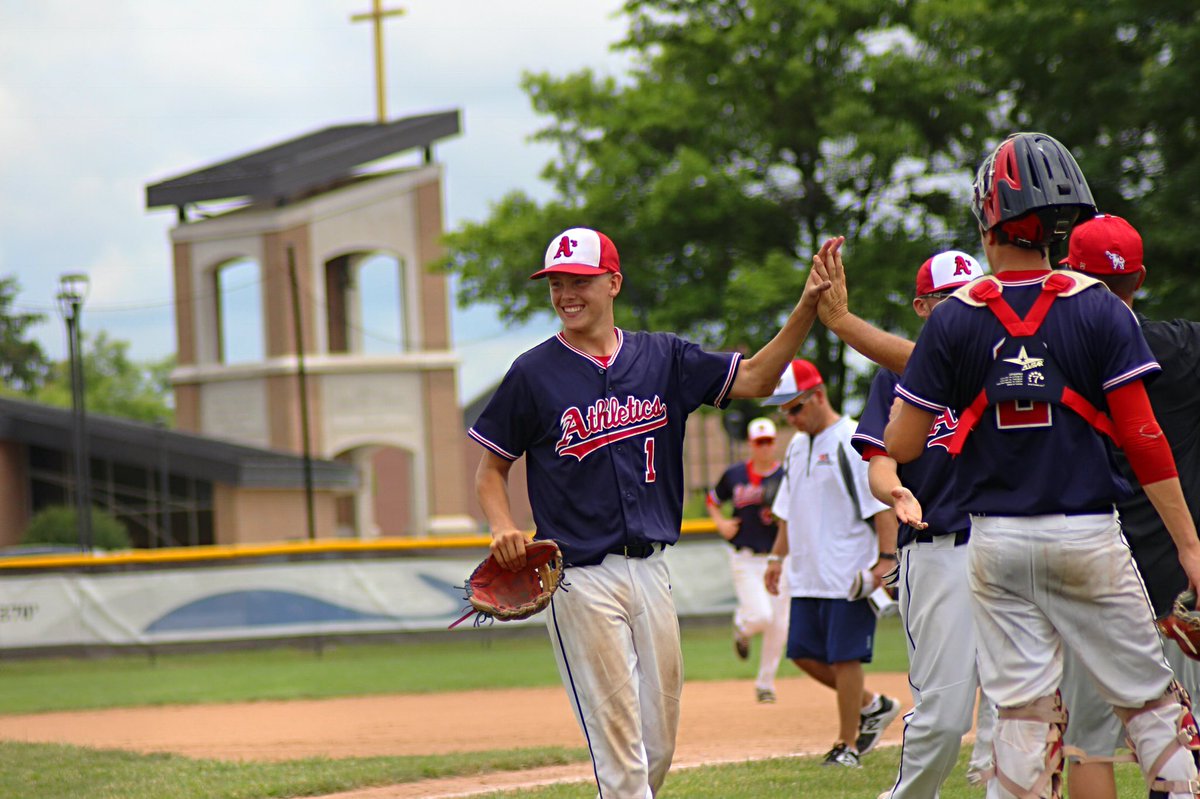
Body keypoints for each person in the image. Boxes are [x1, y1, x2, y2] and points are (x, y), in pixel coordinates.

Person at [884, 131, 1200, 799]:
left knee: (1023, 723)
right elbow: (1143, 436)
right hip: (1087, 534)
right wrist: (1189, 545)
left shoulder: (954, 320)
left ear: (988, 214)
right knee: (1150, 709)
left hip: (994, 543)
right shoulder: (1095, 306)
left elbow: (905, 443)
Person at [470, 226, 830, 799]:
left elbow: (760, 378)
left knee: (657, 745)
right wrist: (501, 525)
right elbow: (492, 468)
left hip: (653, 572)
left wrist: (808, 304)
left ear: (613, 282)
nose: (566, 293)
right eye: (557, 282)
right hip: (579, 579)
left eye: (580, 281)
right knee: (621, 759)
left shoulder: (664, 357)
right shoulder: (533, 373)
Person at [833, 248, 998, 798]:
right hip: (937, 550)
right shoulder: (894, 379)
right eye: (946, 298)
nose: (960, 306)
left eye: (970, 294)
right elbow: (880, 461)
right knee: (946, 713)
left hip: (1009, 544)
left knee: (1019, 707)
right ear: (923, 307)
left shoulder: (1005, 360)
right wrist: (894, 490)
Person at [1053, 213, 1200, 799]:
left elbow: (928, 365)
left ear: (1067, 274)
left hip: (1090, 567)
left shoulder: (1052, 357)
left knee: (1087, 743)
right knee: (1183, 740)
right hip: (1176, 577)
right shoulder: (1185, 347)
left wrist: (840, 322)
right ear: (1140, 276)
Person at [762, 358, 902, 768]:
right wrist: (776, 557)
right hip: (807, 574)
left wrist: (884, 562)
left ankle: (847, 745)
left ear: (818, 396)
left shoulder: (853, 439)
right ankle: (873, 705)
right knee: (803, 653)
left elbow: (882, 507)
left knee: (846, 657)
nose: (789, 418)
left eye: (795, 408)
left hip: (847, 572)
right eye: (784, 411)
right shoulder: (797, 447)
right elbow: (787, 509)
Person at [706, 416, 789, 704]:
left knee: (779, 624)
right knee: (761, 616)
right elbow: (712, 500)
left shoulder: (785, 476)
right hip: (745, 557)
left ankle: (765, 683)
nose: (764, 447)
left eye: (768, 441)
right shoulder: (735, 474)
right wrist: (720, 523)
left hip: (778, 558)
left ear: (775, 442)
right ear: (751, 444)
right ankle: (742, 625)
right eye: (759, 442)